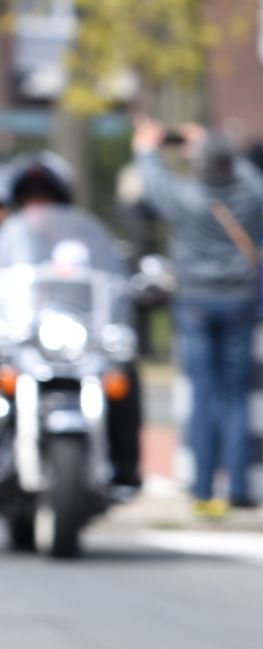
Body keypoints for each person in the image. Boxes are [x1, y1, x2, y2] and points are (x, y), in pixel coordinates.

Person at [133, 117, 263, 517]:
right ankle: (240, 486)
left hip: (195, 300)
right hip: (239, 301)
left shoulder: (188, 197)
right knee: (235, 396)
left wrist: (146, 149)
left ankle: (202, 485)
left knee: (203, 394)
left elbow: (155, 184)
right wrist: (211, 143)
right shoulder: (248, 198)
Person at [0, 153, 146, 499]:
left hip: (70, 342)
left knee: (123, 374)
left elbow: (111, 279)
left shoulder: (85, 242)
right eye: (31, 200)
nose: (38, 207)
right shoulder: (9, 241)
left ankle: (123, 467)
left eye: (45, 199)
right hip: (21, 340)